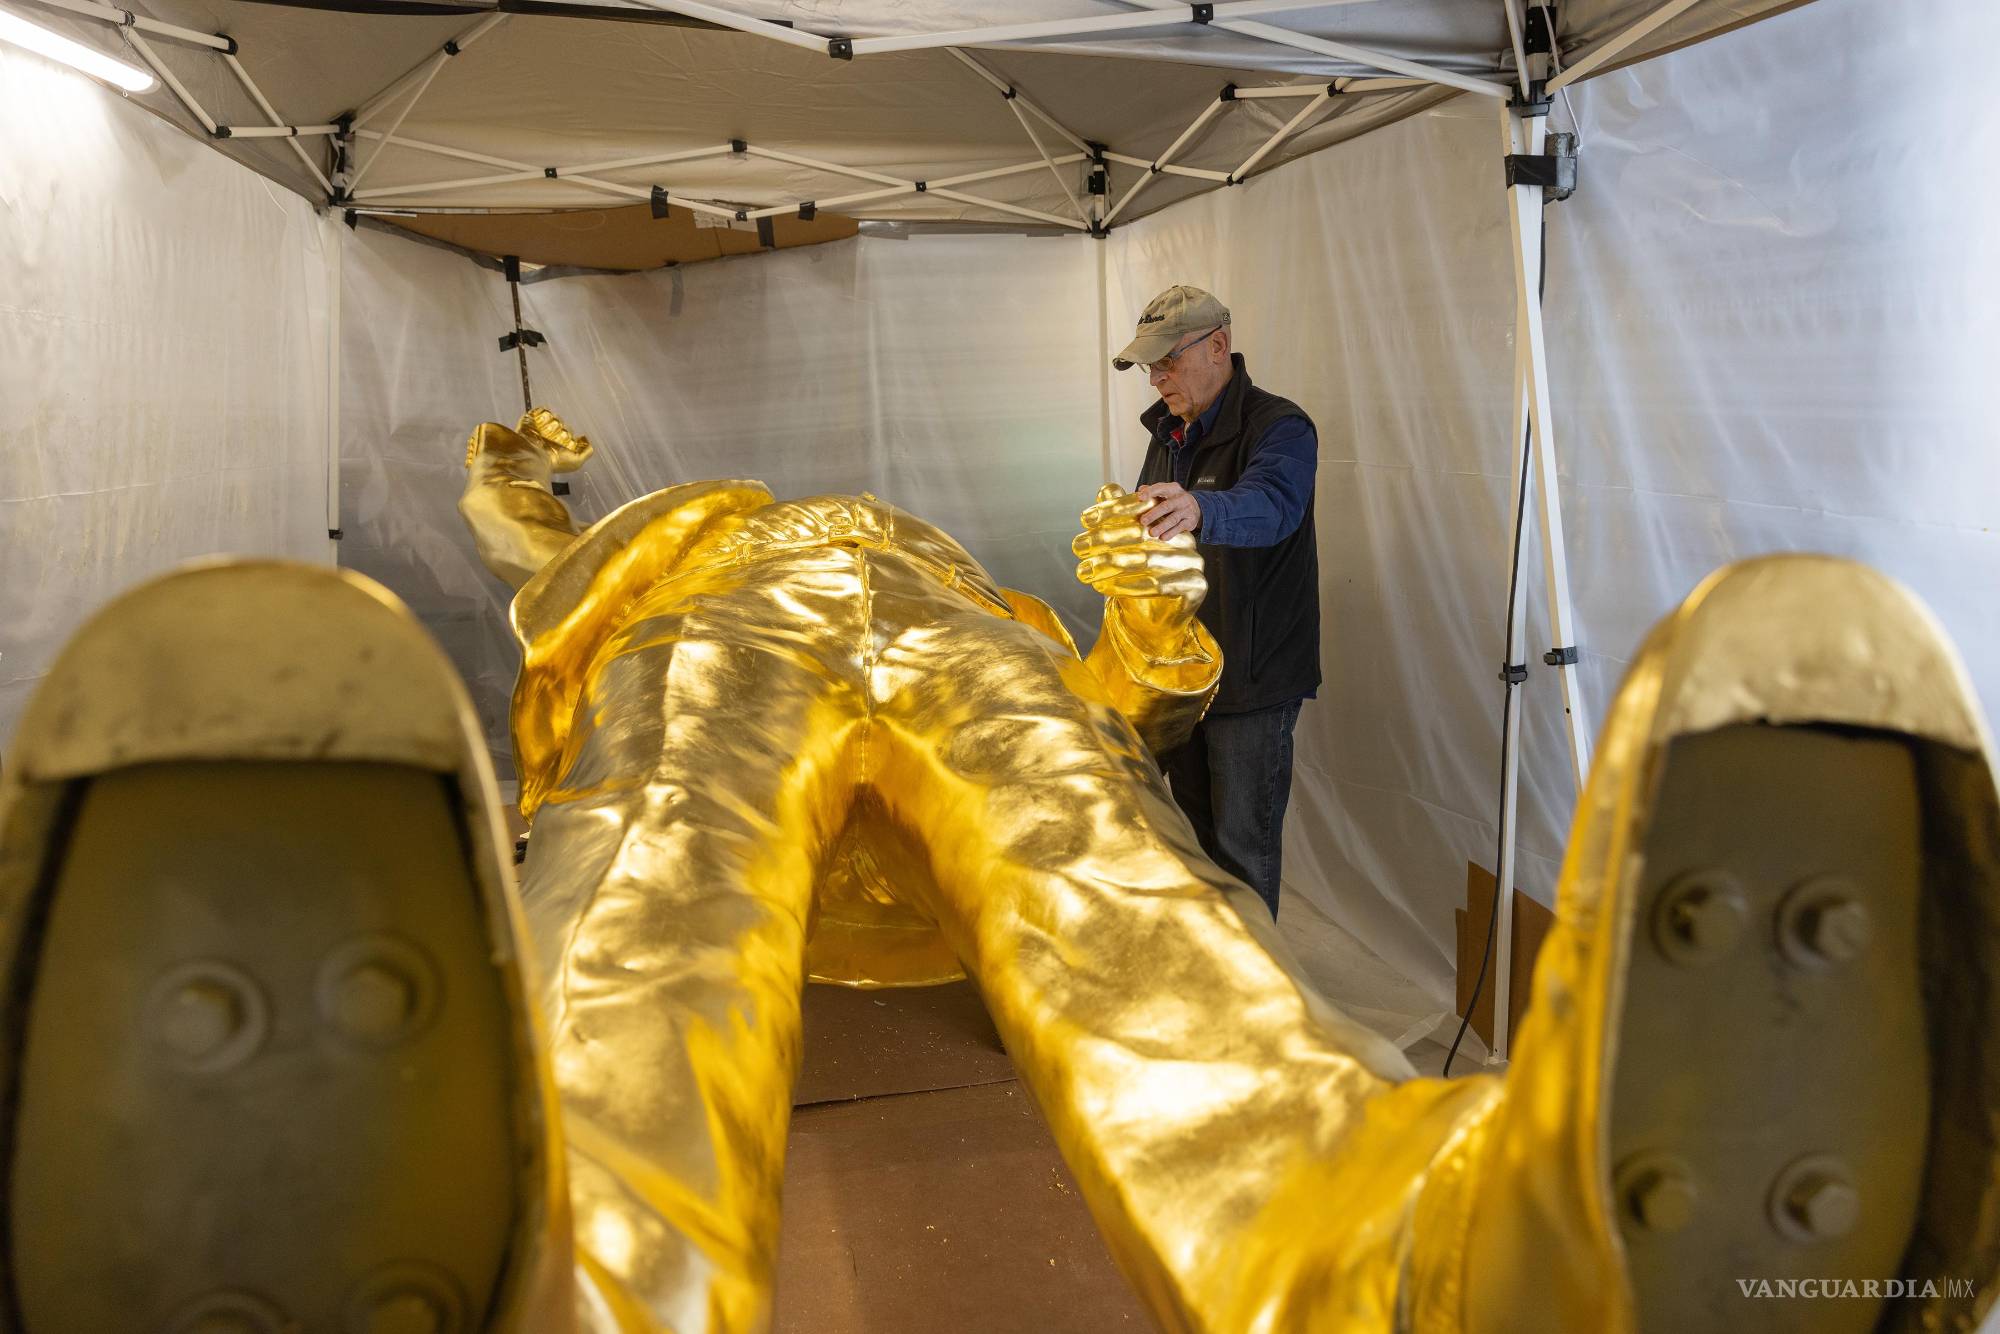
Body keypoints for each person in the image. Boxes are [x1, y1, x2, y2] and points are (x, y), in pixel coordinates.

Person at [1, 407, 1992, 1334]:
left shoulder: (965, 580)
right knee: (652, 868)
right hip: (731, 658)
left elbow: (1134, 706)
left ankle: (1429, 1257)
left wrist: (1149, 617)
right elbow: (536, 565)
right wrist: (516, 489)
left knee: (1108, 863)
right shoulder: (686, 554)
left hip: (976, 669)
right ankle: (542, 1246)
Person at [1111, 285, 1317, 917]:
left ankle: (1260, 1002)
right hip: (1185, 678)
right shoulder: (1171, 432)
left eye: (1166, 362)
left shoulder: (1281, 427)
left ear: (1218, 346)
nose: (1156, 379)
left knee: (1243, 853)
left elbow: (1272, 505)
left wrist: (1202, 506)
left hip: (1251, 680)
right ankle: (1217, 983)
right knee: (1196, 845)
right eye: (1150, 366)